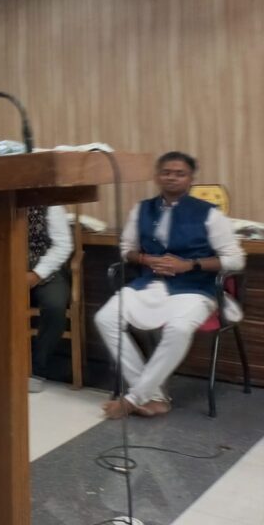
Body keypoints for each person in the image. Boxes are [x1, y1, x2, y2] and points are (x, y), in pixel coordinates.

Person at [95, 151, 245, 419]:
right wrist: (144, 259)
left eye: (180, 173)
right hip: (150, 284)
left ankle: (132, 399)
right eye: (166, 172)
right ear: (157, 176)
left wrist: (190, 265)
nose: (172, 178)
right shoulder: (142, 209)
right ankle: (153, 396)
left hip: (195, 288)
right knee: (105, 318)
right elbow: (126, 249)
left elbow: (236, 259)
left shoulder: (209, 214)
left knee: (178, 328)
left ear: (190, 179)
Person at [25, 205, 73, 392]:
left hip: (46, 269)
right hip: (8, 267)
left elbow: (63, 244)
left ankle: (37, 367)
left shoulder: (51, 205)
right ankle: (3, 363)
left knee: (55, 306)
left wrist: (38, 274)